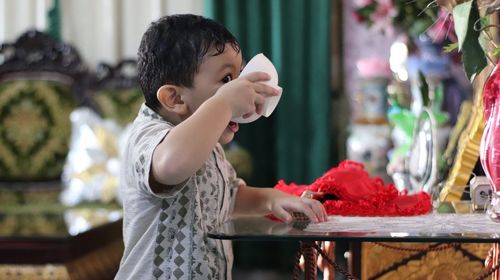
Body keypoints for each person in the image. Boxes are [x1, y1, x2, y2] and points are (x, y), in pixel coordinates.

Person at [115, 14, 327, 280]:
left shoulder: (208, 144)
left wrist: (272, 199)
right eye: (228, 80)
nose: (240, 89)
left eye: (241, 75)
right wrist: (224, 104)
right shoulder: (149, 135)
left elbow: (229, 197)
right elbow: (171, 165)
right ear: (175, 98)